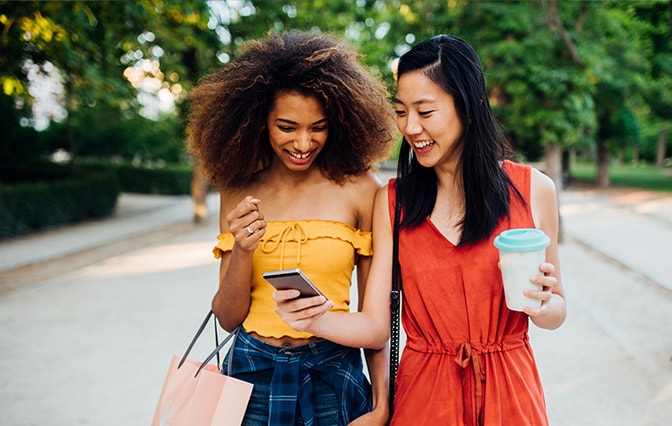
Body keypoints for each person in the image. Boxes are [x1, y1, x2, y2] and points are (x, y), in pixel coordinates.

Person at [274, 34, 567, 425]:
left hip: (511, 394)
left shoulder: (535, 190)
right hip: (425, 399)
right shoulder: (392, 202)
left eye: (425, 112)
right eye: (401, 111)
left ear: (471, 105)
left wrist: (544, 305)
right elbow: (377, 325)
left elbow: (557, 310)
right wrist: (313, 318)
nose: (410, 128)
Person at [185, 29, 396, 426]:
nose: (303, 142)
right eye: (287, 126)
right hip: (250, 376)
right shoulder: (239, 191)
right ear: (258, 120)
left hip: (332, 375)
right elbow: (228, 317)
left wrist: (382, 404)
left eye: (318, 126)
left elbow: (375, 319)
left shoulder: (362, 191)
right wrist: (243, 250)